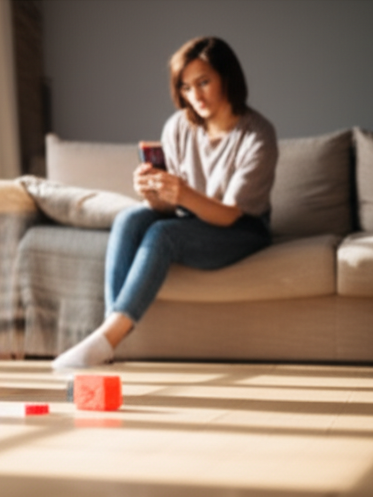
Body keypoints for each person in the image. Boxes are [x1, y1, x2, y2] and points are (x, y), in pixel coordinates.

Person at [52, 36, 278, 370]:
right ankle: (107, 338)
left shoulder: (257, 135)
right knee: (131, 219)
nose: (195, 96)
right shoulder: (178, 127)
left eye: (204, 82)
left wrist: (182, 193)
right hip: (191, 220)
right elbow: (169, 212)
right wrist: (155, 195)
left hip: (241, 228)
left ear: (227, 78)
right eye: (186, 87)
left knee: (164, 236)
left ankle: (105, 340)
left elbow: (231, 215)